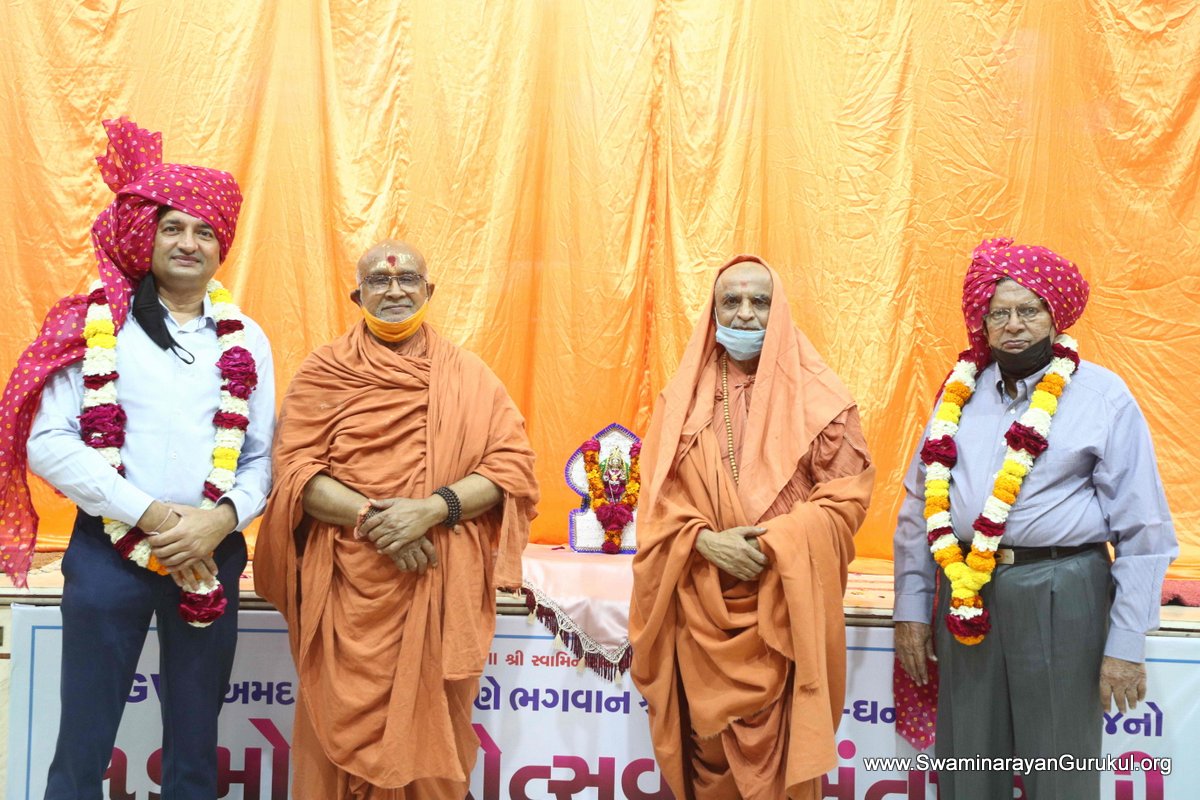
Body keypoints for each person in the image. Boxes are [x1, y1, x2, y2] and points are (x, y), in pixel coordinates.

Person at [0, 117, 274, 798]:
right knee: (83, 742)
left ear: (222, 246)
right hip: (107, 553)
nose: (188, 242)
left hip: (209, 554)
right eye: (172, 227)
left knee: (195, 746)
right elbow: (48, 443)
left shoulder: (248, 338)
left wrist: (219, 521)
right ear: (145, 236)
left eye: (204, 231)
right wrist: (151, 515)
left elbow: (262, 457)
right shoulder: (94, 322)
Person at [892, 237, 1177, 799]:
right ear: (983, 322)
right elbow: (915, 510)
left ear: (1055, 315)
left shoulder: (1102, 395)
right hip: (966, 591)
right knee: (967, 764)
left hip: (1062, 591)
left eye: (1029, 310)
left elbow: (1143, 529)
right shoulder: (958, 394)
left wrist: (1125, 642)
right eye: (999, 313)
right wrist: (911, 610)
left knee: (1059, 770)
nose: (1014, 325)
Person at [254, 239, 539, 799]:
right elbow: (295, 471)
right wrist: (377, 521)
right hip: (347, 589)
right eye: (379, 281)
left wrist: (431, 510)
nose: (394, 290)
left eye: (407, 279)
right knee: (333, 730)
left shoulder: (468, 375)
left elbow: (511, 466)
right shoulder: (324, 371)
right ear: (357, 295)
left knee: (431, 751)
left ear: (428, 290)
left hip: (436, 579)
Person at [629, 255, 875, 800]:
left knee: (782, 770)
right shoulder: (681, 401)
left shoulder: (822, 398)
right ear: (713, 311)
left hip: (782, 611)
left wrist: (777, 544)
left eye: (759, 301)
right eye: (731, 301)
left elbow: (845, 500)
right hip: (703, 610)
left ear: (778, 308)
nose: (744, 313)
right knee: (709, 763)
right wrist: (703, 541)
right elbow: (657, 503)